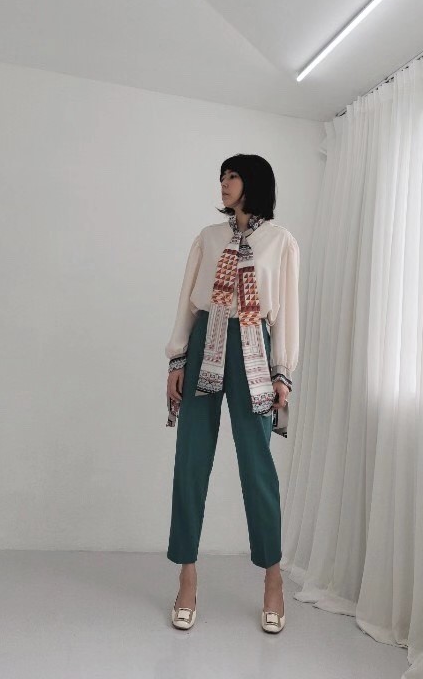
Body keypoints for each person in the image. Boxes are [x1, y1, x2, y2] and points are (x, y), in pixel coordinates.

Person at [165, 154, 300, 633]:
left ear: (254, 183)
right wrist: (177, 358)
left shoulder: (280, 241)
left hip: (254, 348)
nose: (224, 183)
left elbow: (286, 312)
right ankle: (187, 577)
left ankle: (272, 581)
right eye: (222, 176)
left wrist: (283, 372)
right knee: (191, 460)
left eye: (233, 176)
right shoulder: (208, 237)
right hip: (206, 340)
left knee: (257, 466)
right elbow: (188, 301)